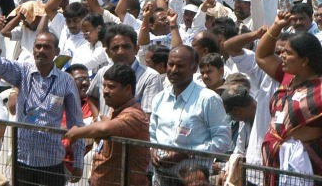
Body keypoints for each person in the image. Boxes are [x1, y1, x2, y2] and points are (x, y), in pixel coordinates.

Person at [0, 16, 85, 186]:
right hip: (23, 158)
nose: (41, 51)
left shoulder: (66, 81)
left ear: (56, 51)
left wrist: (79, 162)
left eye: (47, 47)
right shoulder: (22, 71)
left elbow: (76, 123)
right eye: (38, 46)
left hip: (51, 160)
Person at [255, 15, 322, 185]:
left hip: (308, 163)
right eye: (282, 52)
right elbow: (262, 56)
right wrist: (277, 26)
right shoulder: (288, 78)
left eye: (288, 53)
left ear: (305, 60)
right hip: (276, 162)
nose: (282, 56)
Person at [148, 45, 231, 186]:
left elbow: (222, 142)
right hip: (160, 178)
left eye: (180, 66)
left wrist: (185, 153)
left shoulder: (208, 99)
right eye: (171, 64)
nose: (174, 70)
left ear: (193, 68)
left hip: (194, 179)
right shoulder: (159, 98)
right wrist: (152, 150)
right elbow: (152, 134)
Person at [63, 63, 149, 186]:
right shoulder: (115, 112)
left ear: (128, 89)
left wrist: (76, 132)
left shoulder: (133, 115)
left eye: (111, 87)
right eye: (104, 86)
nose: (105, 91)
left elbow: (104, 128)